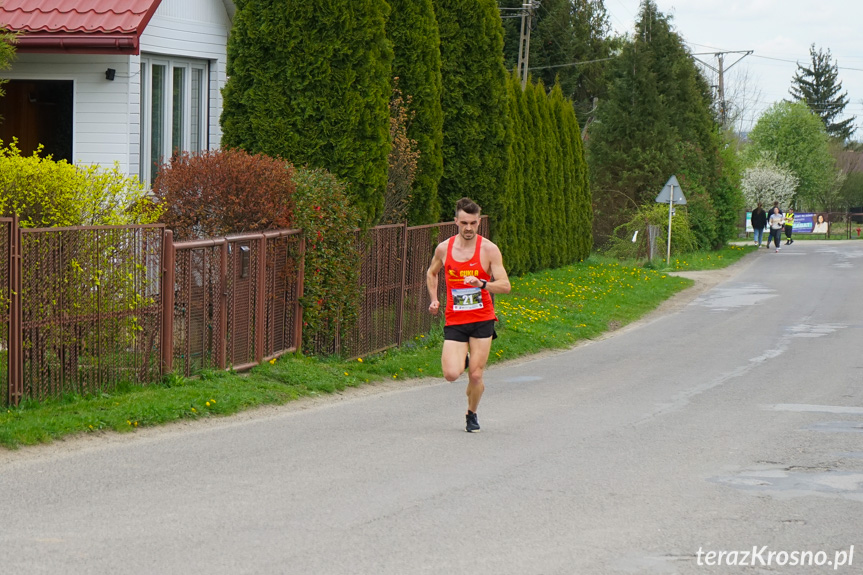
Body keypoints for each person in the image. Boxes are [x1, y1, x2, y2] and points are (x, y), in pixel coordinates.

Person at [426, 197, 511, 433]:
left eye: (473, 223)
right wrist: (434, 299)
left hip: (482, 318)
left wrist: (483, 284)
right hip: (455, 319)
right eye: (464, 223)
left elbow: (505, 286)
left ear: (479, 222)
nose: (469, 228)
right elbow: (432, 273)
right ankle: (461, 357)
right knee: (451, 374)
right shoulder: (444, 248)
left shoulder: (489, 249)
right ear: (456, 221)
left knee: (475, 375)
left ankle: (471, 414)